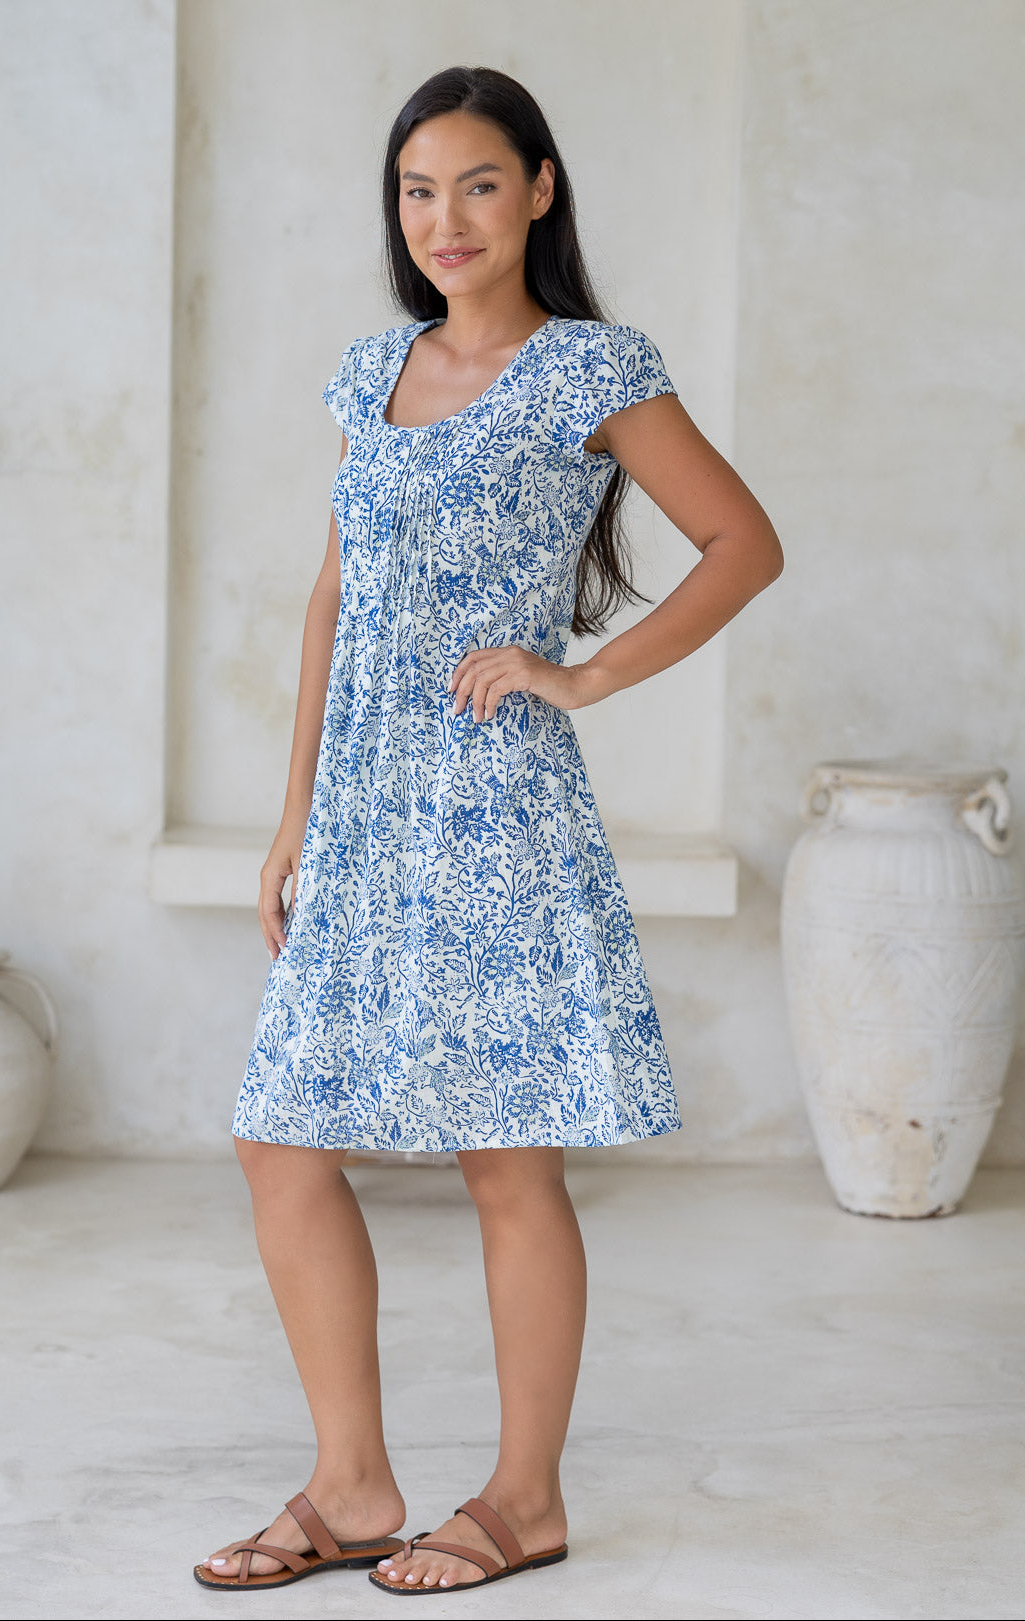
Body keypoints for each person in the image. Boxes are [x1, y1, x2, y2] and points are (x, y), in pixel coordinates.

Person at [194, 65, 783, 1597]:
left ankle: (524, 1497)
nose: (442, 218)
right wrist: (292, 818)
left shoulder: (593, 368)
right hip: (367, 809)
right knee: (278, 1135)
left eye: (474, 183)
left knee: (503, 1157)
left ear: (537, 191)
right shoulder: (368, 373)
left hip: (493, 801)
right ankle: (355, 1481)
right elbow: (335, 594)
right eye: (414, 189)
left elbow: (743, 541)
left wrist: (577, 674)